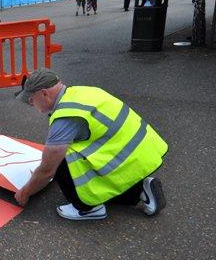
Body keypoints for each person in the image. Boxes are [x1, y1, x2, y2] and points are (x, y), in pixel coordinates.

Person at [14, 68, 168, 221]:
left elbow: (48, 170)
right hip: (139, 156)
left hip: (121, 159)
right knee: (72, 151)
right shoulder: (83, 92)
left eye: (31, 100)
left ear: (44, 93)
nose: (32, 105)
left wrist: (25, 192)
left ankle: (87, 209)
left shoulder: (66, 117)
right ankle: (140, 190)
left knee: (61, 160)